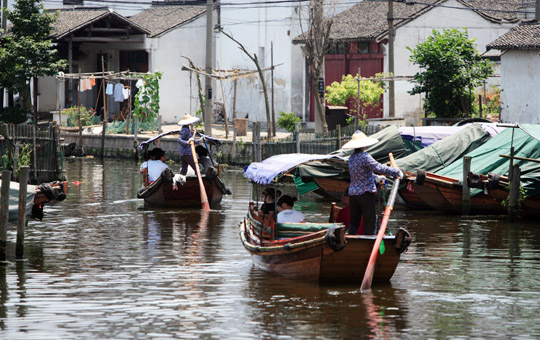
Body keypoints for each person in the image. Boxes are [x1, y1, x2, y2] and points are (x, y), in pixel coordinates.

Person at [342, 131, 403, 235]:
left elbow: (360, 174)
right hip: (365, 194)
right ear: (363, 145)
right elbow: (378, 167)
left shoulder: (351, 158)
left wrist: (376, 178)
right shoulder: (365, 156)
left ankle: (350, 242)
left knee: (354, 223)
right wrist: (396, 172)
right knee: (370, 223)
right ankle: (368, 245)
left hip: (353, 195)